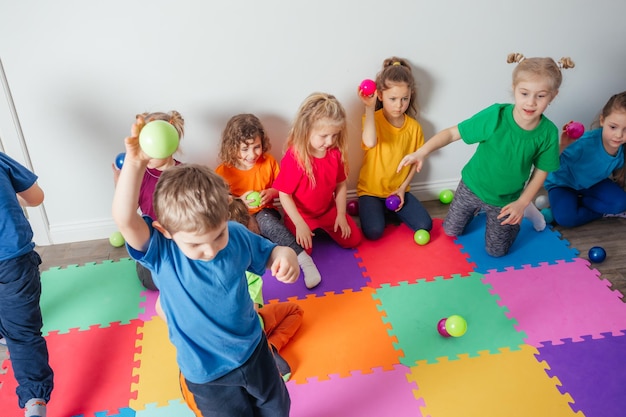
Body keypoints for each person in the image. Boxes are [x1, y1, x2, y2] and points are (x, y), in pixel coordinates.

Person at [112, 116, 299, 416]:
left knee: (277, 408)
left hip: (254, 352)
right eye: (196, 244)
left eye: (218, 235)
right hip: (208, 376)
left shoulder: (236, 235)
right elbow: (125, 219)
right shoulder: (162, 252)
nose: (210, 250)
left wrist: (284, 256)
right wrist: (134, 164)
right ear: (166, 231)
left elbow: (272, 253)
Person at [398, 53, 574, 257]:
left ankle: (525, 212)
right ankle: (476, 210)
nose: (531, 102)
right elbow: (453, 133)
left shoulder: (548, 133)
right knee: (450, 230)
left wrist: (522, 202)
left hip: (506, 200)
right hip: (471, 187)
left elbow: (542, 170)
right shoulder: (495, 116)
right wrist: (422, 152)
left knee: (496, 252)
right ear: (514, 89)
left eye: (540, 96)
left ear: (553, 95)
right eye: (524, 93)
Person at [216, 114, 322, 289]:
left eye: (257, 147)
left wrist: (270, 193)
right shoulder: (223, 171)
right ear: (232, 147)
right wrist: (239, 201)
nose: (252, 154)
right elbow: (220, 201)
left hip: (264, 211)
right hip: (238, 215)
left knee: (268, 225)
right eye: (244, 149)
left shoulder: (268, 162)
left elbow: (282, 188)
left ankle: (305, 260)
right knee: (233, 231)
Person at [274, 92, 363, 254]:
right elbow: (284, 194)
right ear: (306, 130)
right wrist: (300, 224)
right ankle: (298, 227)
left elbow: (341, 184)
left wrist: (341, 214)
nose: (329, 141)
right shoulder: (295, 157)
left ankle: (322, 227)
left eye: (334, 135)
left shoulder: (335, 153)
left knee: (354, 239)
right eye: (324, 136)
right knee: (304, 251)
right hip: (302, 215)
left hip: (328, 210)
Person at [0, 151, 53, 417]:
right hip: (13, 259)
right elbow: (36, 197)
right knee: (22, 334)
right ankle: (34, 401)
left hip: (11, 257)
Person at [356, 57, 433, 240]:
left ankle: (387, 212)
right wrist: (368, 108)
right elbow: (370, 142)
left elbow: (415, 162)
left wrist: (402, 189)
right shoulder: (372, 119)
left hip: (398, 191)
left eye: (404, 99)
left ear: (410, 95)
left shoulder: (414, 127)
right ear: (381, 96)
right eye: (393, 99)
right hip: (371, 192)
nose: (399, 105)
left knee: (425, 225)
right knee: (374, 232)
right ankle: (378, 211)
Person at [112, 110, 184, 291]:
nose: (147, 154)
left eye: (153, 146)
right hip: (151, 239)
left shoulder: (185, 173)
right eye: (144, 147)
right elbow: (129, 210)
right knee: (150, 280)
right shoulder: (141, 175)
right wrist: (120, 183)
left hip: (180, 238)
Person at [544, 91, 626, 227]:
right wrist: (563, 144)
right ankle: (576, 207)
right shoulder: (585, 142)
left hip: (592, 183)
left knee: (621, 203)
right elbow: (550, 159)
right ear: (602, 120)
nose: (618, 135)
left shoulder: (621, 151)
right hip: (563, 183)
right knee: (566, 219)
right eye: (613, 127)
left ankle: (578, 203)